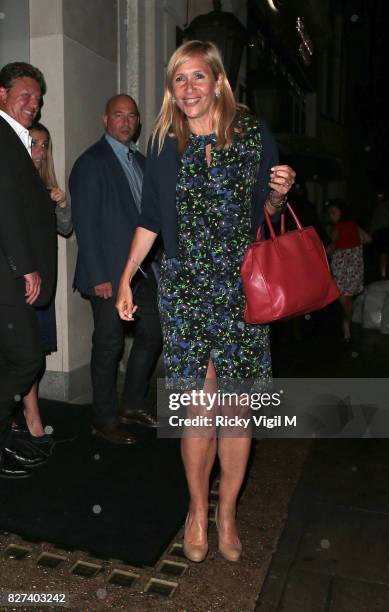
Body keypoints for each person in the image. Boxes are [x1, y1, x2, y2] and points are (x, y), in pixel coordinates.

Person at [115, 41, 295, 562]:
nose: (189, 89)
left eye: (198, 77)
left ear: (218, 81)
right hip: (186, 289)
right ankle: (197, 509)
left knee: (236, 412)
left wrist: (280, 193)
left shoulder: (255, 134)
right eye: (179, 80)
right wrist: (127, 275)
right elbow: (150, 218)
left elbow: (269, 211)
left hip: (243, 288)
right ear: (172, 89)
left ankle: (228, 512)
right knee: (198, 410)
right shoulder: (165, 144)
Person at [70, 94, 163, 445]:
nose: (126, 122)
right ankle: (103, 418)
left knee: (153, 332)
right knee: (108, 345)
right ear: (105, 119)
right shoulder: (90, 162)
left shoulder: (140, 161)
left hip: (143, 272)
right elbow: (85, 225)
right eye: (119, 115)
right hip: (107, 273)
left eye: (132, 116)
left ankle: (133, 404)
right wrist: (99, 277)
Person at [0, 62, 57, 478]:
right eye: (25, 94)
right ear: (1, 94)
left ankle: (5, 439)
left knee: (14, 361)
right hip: (8, 276)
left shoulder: (17, 141)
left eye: (37, 98)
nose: (34, 104)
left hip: (11, 273)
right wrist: (25, 268)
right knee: (27, 360)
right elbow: (5, 208)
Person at [12, 123, 72, 445]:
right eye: (34, 143)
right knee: (25, 354)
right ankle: (29, 419)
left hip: (41, 283)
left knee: (34, 353)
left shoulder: (44, 186)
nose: (40, 151)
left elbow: (65, 229)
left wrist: (61, 205)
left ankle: (28, 417)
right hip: (16, 283)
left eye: (45, 145)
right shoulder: (13, 183)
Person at [326, 199, 371, 342]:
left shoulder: (337, 228)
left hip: (342, 270)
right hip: (354, 269)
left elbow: (332, 247)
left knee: (344, 300)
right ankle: (346, 325)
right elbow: (368, 239)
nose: (331, 216)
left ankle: (346, 325)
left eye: (333, 212)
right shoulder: (353, 225)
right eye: (330, 213)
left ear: (341, 212)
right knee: (348, 300)